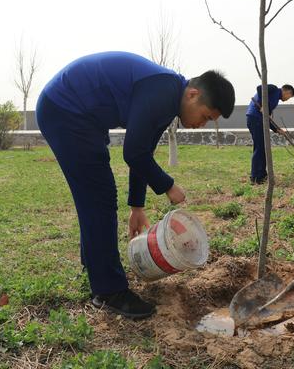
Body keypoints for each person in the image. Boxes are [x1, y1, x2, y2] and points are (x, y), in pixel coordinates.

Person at [36, 52, 235, 319]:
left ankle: (94, 263)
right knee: (98, 195)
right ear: (193, 95)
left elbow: (142, 152)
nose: (202, 124)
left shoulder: (167, 95)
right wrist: (168, 185)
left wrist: (137, 207)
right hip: (66, 109)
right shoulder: (162, 92)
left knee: (95, 194)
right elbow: (134, 153)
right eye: (206, 116)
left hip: (75, 113)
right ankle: (108, 291)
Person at [246, 83, 294, 184]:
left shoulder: (275, 100)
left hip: (259, 120)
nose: (286, 100)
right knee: (259, 148)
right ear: (286, 91)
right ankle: (255, 177)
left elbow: (267, 118)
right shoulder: (273, 89)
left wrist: (277, 130)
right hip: (255, 119)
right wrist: (263, 104)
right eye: (288, 97)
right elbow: (259, 88)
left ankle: (262, 175)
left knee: (263, 148)